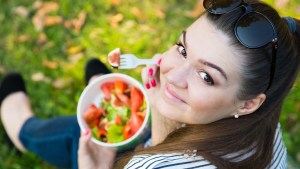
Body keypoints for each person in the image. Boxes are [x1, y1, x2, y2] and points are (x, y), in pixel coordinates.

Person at [0, 0, 299, 169]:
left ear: (248, 103)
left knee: (76, 133)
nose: (172, 75)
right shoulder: (263, 126)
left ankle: (22, 130)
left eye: (206, 76)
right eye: (182, 49)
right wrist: (162, 105)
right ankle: (102, 86)